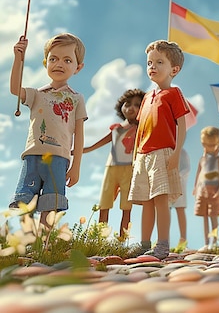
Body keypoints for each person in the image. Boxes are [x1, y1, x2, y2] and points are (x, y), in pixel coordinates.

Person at [9, 34, 87, 226]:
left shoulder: (77, 99)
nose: (59, 64)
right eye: (53, 59)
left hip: (59, 158)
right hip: (33, 155)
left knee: (51, 202)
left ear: (78, 67)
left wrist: (76, 165)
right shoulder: (37, 94)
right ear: (45, 63)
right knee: (25, 200)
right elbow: (15, 89)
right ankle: (27, 243)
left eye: (67, 60)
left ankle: (44, 244)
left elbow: (79, 135)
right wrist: (18, 59)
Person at [128, 40, 190, 260]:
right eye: (149, 63)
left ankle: (162, 244)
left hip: (162, 153)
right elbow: (140, 129)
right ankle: (144, 243)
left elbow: (181, 125)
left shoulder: (173, 94)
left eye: (159, 62)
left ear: (174, 69)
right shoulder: (146, 98)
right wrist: (135, 156)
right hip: (143, 155)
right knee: (146, 201)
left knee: (161, 200)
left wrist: (176, 153)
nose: (152, 67)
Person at [82, 88, 144, 238]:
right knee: (104, 203)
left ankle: (122, 240)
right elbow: (100, 143)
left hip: (130, 169)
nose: (131, 108)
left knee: (126, 207)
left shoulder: (141, 129)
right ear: (121, 106)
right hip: (111, 168)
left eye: (137, 105)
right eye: (127, 103)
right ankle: (99, 239)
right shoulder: (116, 129)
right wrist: (83, 150)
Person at [193, 126, 219, 252]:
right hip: (202, 189)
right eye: (206, 145)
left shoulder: (218, 159)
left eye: (212, 145)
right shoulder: (202, 159)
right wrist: (195, 187)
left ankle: (214, 241)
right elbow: (198, 173)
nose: (209, 148)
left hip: (213, 189)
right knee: (204, 215)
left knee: (213, 215)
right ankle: (206, 242)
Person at [170, 147, 191, 251]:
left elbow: (186, 168)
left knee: (180, 210)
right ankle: (164, 239)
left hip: (179, 185)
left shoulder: (183, 152)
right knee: (165, 211)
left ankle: (183, 239)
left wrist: (178, 176)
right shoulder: (166, 151)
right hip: (168, 185)